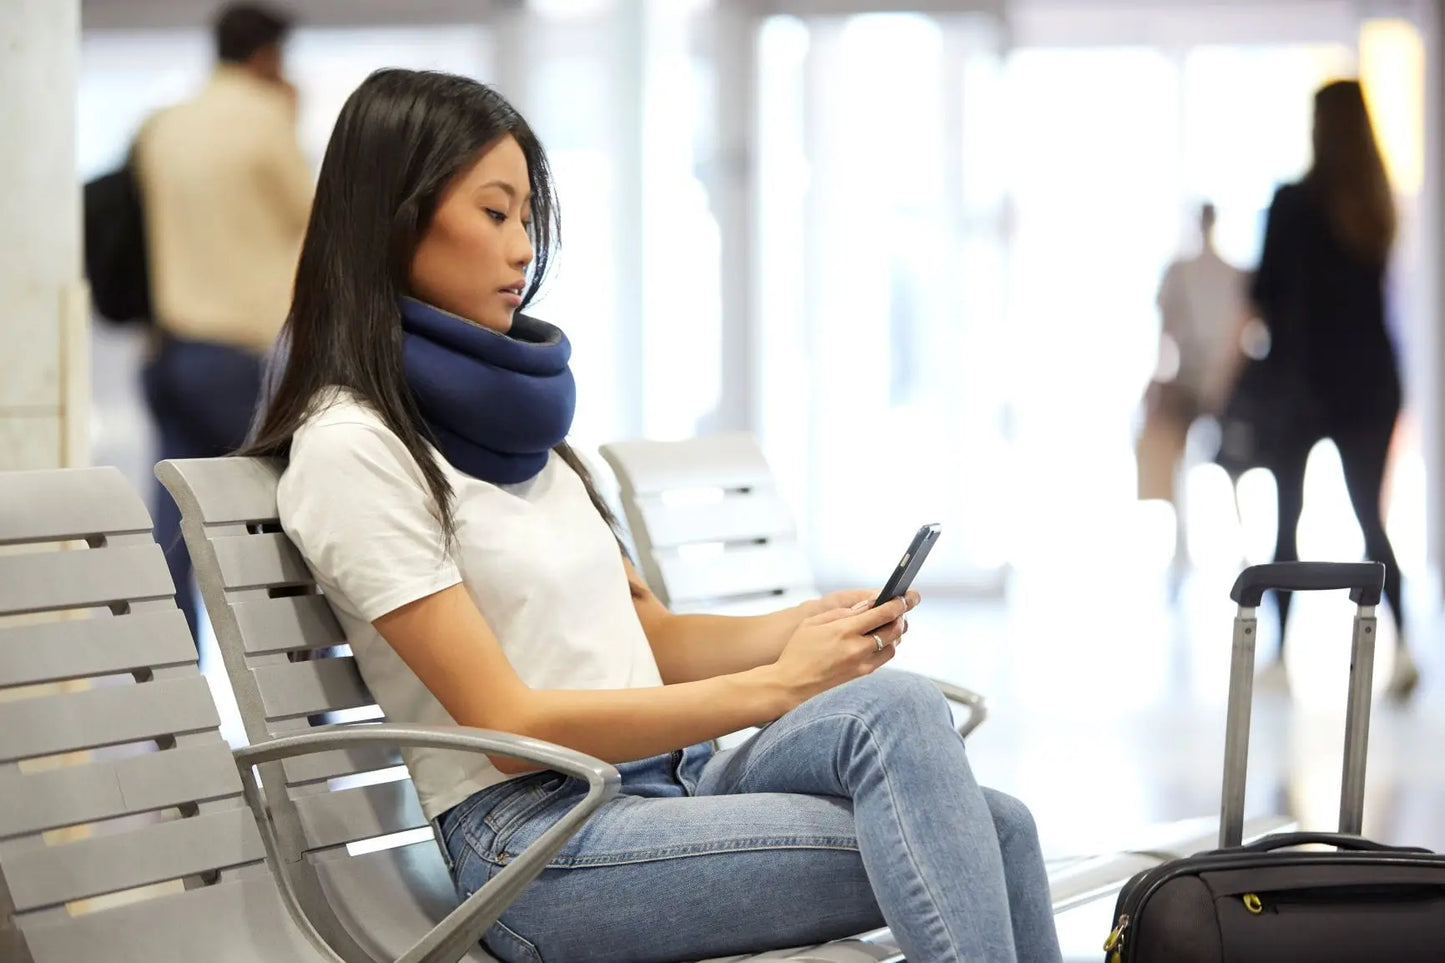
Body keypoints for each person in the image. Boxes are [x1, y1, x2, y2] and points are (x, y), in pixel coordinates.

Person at [244, 69, 1061, 963]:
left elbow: (650, 640)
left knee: (921, 733)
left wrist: (798, 627)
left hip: (666, 786)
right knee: (977, 837)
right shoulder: (354, 449)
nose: (523, 247)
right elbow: (509, 729)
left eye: (527, 217)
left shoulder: (519, 432)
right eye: (495, 212)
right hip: (540, 845)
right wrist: (781, 685)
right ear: (399, 218)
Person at [133, 2, 312, 640]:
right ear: (268, 57)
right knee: (278, 525)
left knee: (173, 534)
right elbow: (316, 223)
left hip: (171, 353)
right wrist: (292, 114)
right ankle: (306, 716)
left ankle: (167, 704)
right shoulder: (266, 119)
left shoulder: (162, 125)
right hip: (241, 357)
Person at [1249, 79, 1416, 699]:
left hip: (1300, 384)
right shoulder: (1375, 208)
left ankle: (1277, 657)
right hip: (1372, 381)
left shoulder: (1293, 203)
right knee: (1372, 518)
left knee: (1287, 518)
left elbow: (1263, 294)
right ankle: (1407, 654)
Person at [1138, 202, 1250, 568]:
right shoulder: (1194, 272)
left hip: (1214, 384)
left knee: (1228, 465)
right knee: (1186, 463)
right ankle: (1187, 546)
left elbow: (1169, 335)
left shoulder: (1228, 273)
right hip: (1208, 383)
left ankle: (1231, 546)